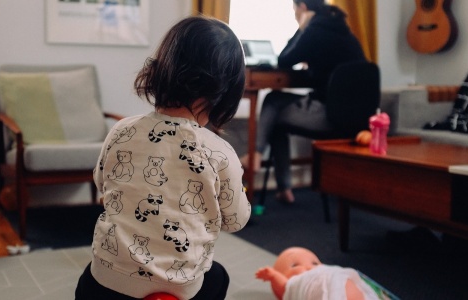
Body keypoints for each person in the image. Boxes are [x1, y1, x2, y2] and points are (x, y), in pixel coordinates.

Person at [75, 15, 251, 300]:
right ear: (226, 92)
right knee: (218, 276)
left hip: (107, 282)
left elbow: (102, 183)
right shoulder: (220, 153)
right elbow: (235, 220)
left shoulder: (121, 130)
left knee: (86, 283)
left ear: (161, 69)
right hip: (180, 287)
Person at [240, 0, 367, 203]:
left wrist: (301, 29)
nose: (294, 15)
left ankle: (256, 155)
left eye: (294, 10)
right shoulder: (344, 31)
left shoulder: (315, 29)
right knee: (276, 120)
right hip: (355, 119)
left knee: (273, 100)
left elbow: (284, 60)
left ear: (303, 8)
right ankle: (284, 189)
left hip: (328, 116)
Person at [256, 247, 393, 300]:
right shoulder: (295, 284)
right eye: (295, 265)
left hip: (342, 280)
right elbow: (285, 286)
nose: (308, 266)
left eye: (315, 263)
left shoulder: (326, 270)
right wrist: (274, 276)